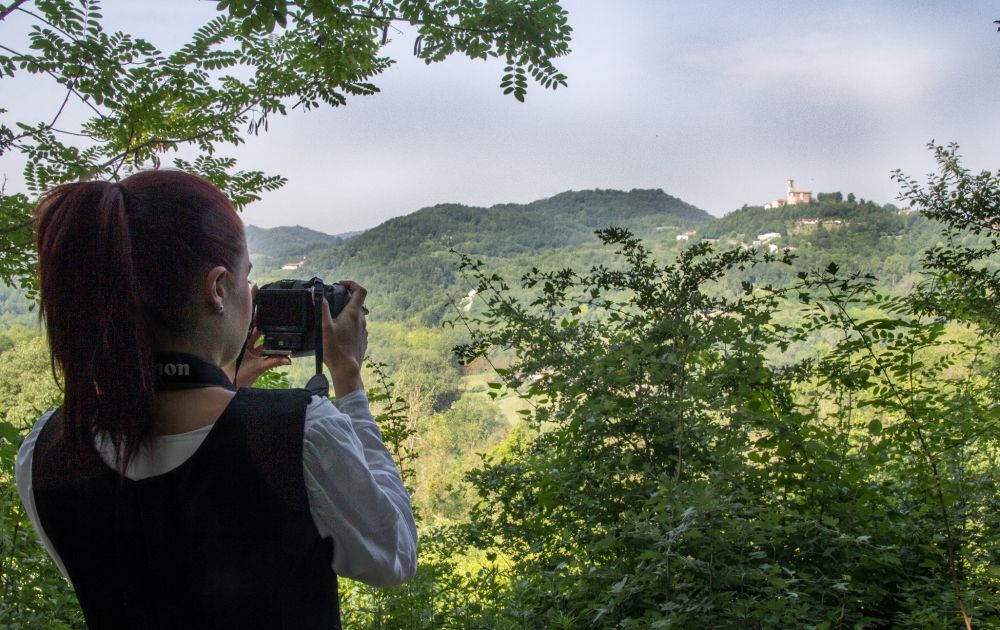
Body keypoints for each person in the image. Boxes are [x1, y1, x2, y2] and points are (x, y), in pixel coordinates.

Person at [14, 170, 417, 629]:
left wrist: (227, 389)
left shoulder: (47, 450)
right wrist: (349, 380)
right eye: (248, 279)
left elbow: (144, 572)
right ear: (218, 288)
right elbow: (394, 556)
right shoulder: (297, 431)